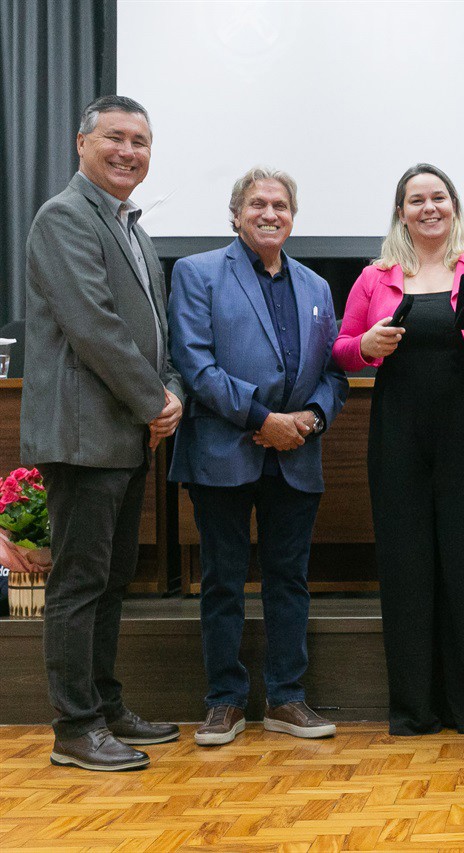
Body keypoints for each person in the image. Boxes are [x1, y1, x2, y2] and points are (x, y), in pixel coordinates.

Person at [21, 95, 184, 771]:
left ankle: (107, 703)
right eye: (115, 138)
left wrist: (169, 387)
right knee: (81, 581)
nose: (129, 151)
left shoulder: (133, 226)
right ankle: (75, 725)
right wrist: (154, 401)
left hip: (125, 433)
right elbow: (93, 326)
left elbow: (154, 327)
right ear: (81, 144)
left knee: (113, 577)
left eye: (141, 141)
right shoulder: (64, 217)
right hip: (86, 434)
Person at [332, 164, 464, 736]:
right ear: (401, 212)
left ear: (454, 206)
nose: (429, 207)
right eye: (417, 200)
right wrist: (365, 345)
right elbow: (341, 350)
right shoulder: (376, 277)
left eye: (439, 197)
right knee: (406, 562)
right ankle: (416, 708)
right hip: (397, 431)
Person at [168, 168, 348, 746]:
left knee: (289, 581)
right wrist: (262, 420)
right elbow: (195, 365)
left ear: (293, 216)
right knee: (222, 581)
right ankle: (224, 701)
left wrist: (311, 419)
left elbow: (333, 372)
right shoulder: (198, 274)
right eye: (257, 204)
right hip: (224, 450)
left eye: (280, 205)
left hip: (296, 454)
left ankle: (287, 699)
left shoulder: (317, 287)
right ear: (236, 213)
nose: (269, 213)